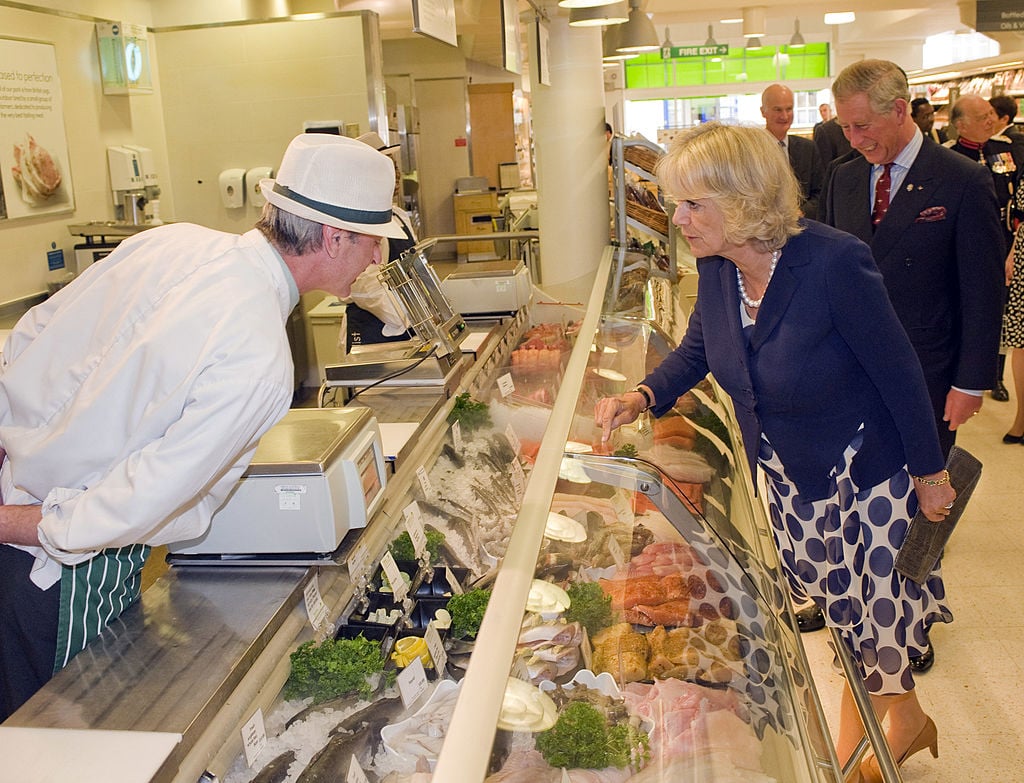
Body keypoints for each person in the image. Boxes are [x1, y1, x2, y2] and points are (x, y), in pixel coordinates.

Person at [594, 121, 954, 783]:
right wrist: (642, 395)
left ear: (745, 199)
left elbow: (900, 370)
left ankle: (866, 753)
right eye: (676, 202)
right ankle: (903, 721)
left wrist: (930, 472)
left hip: (868, 474)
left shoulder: (834, 262)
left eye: (692, 203)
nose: (678, 218)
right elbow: (700, 349)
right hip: (791, 478)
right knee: (840, 613)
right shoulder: (716, 267)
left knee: (873, 622)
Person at [0, 133, 405, 720]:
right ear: (334, 236)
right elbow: (145, 498)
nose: (377, 259)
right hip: (58, 573)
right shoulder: (261, 352)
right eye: (373, 241)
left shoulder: (171, 241)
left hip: (21, 516)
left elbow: (31, 335)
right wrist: (13, 522)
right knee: (55, 733)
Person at [824, 60, 1005, 675]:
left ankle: (915, 618)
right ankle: (871, 609)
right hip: (851, 373)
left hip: (929, 371)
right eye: (846, 128)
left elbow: (982, 291)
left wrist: (971, 380)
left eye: (863, 125)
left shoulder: (960, 181)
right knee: (868, 500)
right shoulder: (843, 180)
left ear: (899, 108)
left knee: (921, 501)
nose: (855, 139)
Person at [945, 94, 1018, 402]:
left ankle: (996, 375)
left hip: (1005, 238)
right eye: (982, 116)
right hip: (966, 243)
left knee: (1001, 311)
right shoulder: (948, 157)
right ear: (961, 125)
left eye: (991, 114)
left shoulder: (1006, 150)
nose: (991, 120)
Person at [342, 131, 417, 350]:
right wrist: (409, 311)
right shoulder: (358, 224)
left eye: (394, 167)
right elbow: (363, 284)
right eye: (387, 168)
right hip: (374, 335)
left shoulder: (398, 216)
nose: (396, 176)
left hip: (408, 329)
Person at [760, 83, 824, 220]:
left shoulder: (808, 149)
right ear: (763, 112)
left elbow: (820, 193)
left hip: (804, 227)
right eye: (777, 110)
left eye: (789, 109)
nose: (784, 116)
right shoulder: (751, 151)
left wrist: (801, 213)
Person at [989, 94, 1024, 167]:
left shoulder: (1015, 139)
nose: (987, 118)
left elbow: (1018, 170)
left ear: (1004, 119)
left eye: (991, 113)